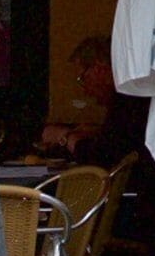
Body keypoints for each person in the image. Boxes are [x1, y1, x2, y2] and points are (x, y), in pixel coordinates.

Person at [40, 36, 145, 170]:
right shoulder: (129, 96)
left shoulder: (127, 100)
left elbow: (99, 158)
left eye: (83, 78)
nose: (85, 91)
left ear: (98, 68)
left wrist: (64, 136)